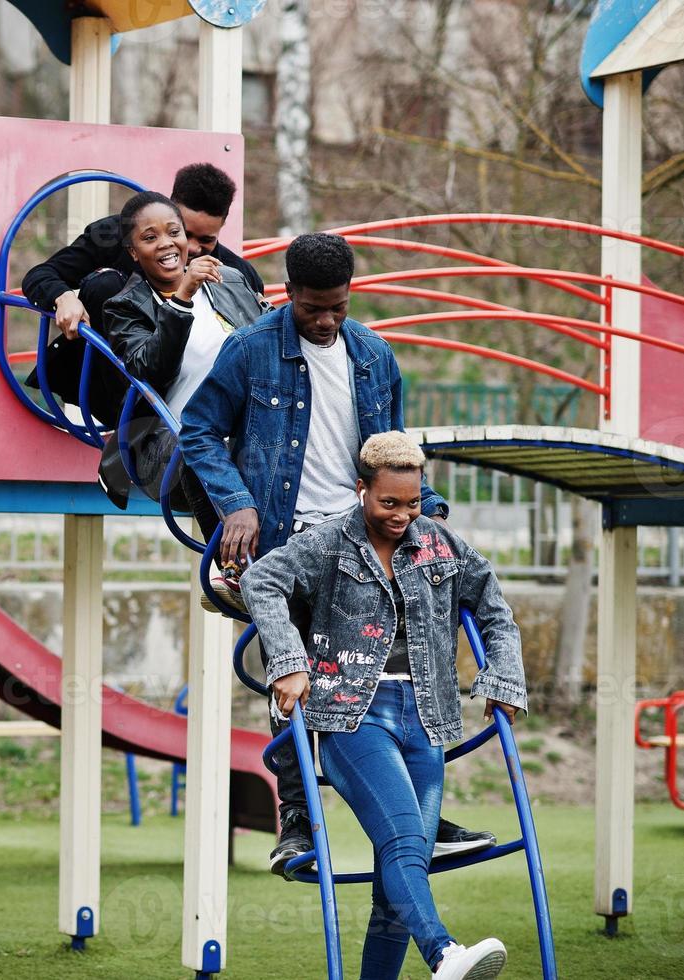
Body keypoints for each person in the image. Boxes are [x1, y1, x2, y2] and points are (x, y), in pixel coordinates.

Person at [179, 231, 495, 872]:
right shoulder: (249, 351)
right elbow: (200, 432)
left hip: (364, 535)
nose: (325, 321)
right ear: (287, 293)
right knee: (294, 666)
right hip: (290, 538)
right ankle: (297, 821)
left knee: (404, 658)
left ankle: (419, 818)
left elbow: (395, 462)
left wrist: (427, 513)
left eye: (337, 308)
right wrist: (236, 504)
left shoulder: (376, 357)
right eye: (312, 307)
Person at [242, 432, 528, 980]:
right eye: (388, 503)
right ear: (360, 489)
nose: (401, 515)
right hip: (354, 712)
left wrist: (502, 677)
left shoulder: (440, 546)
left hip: (426, 717)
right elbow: (262, 581)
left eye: (413, 502)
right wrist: (287, 659)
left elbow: (495, 608)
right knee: (401, 835)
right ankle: (444, 953)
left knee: (397, 878)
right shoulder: (327, 544)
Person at [99, 190, 265, 538]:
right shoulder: (124, 307)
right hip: (170, 450)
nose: (166, 244)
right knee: (200, 440)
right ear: (132, 252)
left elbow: (270, 337)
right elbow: (150, 369)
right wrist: (182, 298)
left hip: (247, 434)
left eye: (174, 232)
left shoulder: (229, 279)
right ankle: (230, 561)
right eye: (149, 237)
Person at [22, 162, 266, 338]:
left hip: (195, 380)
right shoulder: (114, 235)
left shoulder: (234, 273)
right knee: (104, 285)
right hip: (118, 374)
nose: (190, 248)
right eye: (181, 231)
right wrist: (63, 297)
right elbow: (41, 275)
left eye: (206, 240)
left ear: (221, 227)